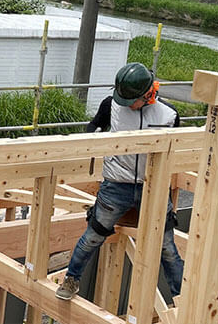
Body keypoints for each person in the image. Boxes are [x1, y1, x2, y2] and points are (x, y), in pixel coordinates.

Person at [55, 62, 184, 301]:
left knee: (166, 247)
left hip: (153, 189)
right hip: (116, 185)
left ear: (148, 95)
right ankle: (71, 280)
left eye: (131, 101)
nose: (126, 105)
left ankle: (181, 300)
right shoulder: (111, 106)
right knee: (93, 234)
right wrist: (91, 137)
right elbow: (93, 127)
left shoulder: (169, 115)